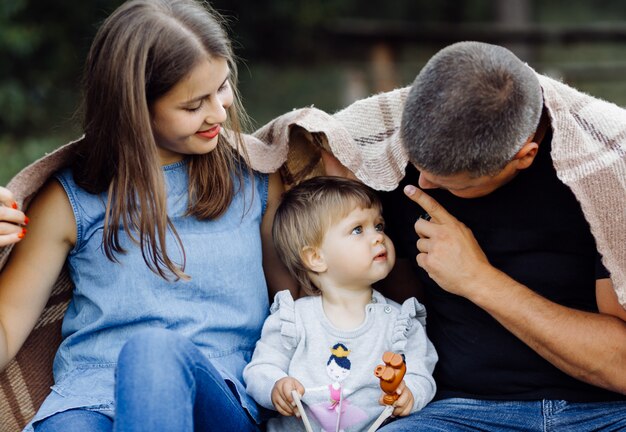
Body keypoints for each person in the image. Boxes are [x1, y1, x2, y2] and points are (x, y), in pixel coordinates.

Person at [0, 0, 295, 430]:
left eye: (223, 87)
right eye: (194, 105)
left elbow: (299, 310)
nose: (218, 112)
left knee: (152, 353)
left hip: (218, 401)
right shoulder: (69, 201)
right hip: (89, 402)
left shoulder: (255, 181)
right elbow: (7, 332)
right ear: (134, 109)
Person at [368, 41, 626, 430]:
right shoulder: (393, 150)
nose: (421, 184)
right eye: (420, 169)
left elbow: (621, 365)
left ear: (525, 155)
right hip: (457, 412)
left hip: (606, 412)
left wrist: (477, 278)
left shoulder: (605, 170)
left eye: (453, 185)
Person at [243, 176, 437, 432]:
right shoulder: (294, 318)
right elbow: (261, 368)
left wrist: (411, 392)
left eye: (379, 226)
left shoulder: (399, 322)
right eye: (358, 229)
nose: (378, 237)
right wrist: (276, 384)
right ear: (316, 257)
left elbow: (422, 372)